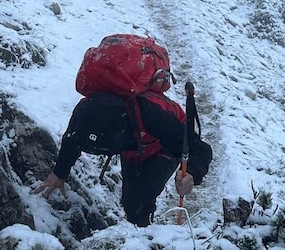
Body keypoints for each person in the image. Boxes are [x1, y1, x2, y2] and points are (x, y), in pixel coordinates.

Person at [34, 92, 212, 227]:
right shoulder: (86, 115)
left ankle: (145, 237)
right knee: (131, 203)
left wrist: (191, 174)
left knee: (135, 203)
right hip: (131, 150)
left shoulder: (152, 116)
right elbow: (72, 140)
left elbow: (201, 149)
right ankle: (141, 231)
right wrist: (59, 173)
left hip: (163, 147)